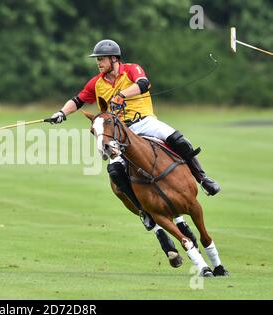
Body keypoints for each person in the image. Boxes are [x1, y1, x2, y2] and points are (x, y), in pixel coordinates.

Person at [49, 39, 220, 200]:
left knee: (179, 140)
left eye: (101, 59)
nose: (98, 63)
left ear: (114, 59)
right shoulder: (96, 83)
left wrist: (121, 95)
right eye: (97, 59)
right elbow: (78, 100)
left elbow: (143, 83)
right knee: (115, 171)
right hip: (120, 131)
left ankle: (203, 179)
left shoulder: (131, 69)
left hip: (145, 121)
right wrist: (61, 113)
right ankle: (143, 210)